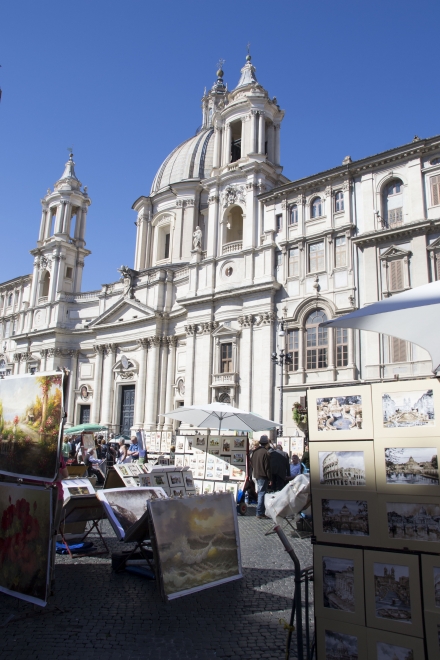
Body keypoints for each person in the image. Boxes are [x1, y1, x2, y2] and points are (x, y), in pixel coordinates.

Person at [250, 435, 272, 519]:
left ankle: (260, 511)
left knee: (260, 493)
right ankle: (259, 512)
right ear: (266, 443)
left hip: (256, 474)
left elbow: (252, 462)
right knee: (262, 493)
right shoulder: (266, 452)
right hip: (263, 475)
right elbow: (268, 467)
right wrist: (270, 478)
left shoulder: (255, 452)